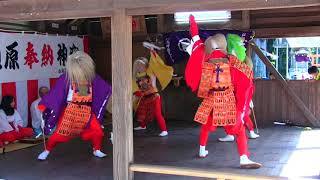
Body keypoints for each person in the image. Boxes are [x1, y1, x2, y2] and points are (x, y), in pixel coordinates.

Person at [184, 15, 261, 169]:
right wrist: (244, 103)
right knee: (238, 130)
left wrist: (192, 23)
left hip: (211, 99)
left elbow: (195, 37)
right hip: (226, 99)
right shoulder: (231, 60)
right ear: (223, 45)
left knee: (206, 125)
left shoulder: (203, 57)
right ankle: (244, 158)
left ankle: (201, 150)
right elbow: (245, 77)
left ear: (209, 46)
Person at [37, 51, 112, 160]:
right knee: (59, 135)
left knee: (97, 131)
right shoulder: (66, 77)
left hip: (87, 111)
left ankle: (97, 149)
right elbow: (56, 93)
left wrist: (113, 91)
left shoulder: (92, 77)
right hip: (70, 111)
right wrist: (45, 105)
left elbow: (104, 88)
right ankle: (47, 150)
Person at [132, 52, 173, 137]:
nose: (140, 67)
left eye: (142, 65)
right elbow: (135, 87)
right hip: (144, 97)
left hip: (154, 96)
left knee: (157, 113)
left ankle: (164, 130)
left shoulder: (150, 72)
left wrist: (152, 51)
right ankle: (143, 126)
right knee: (143, 113)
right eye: (138, 65)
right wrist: (135, 94)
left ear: (146, 65)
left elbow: (154, 62)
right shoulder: (136, 76)